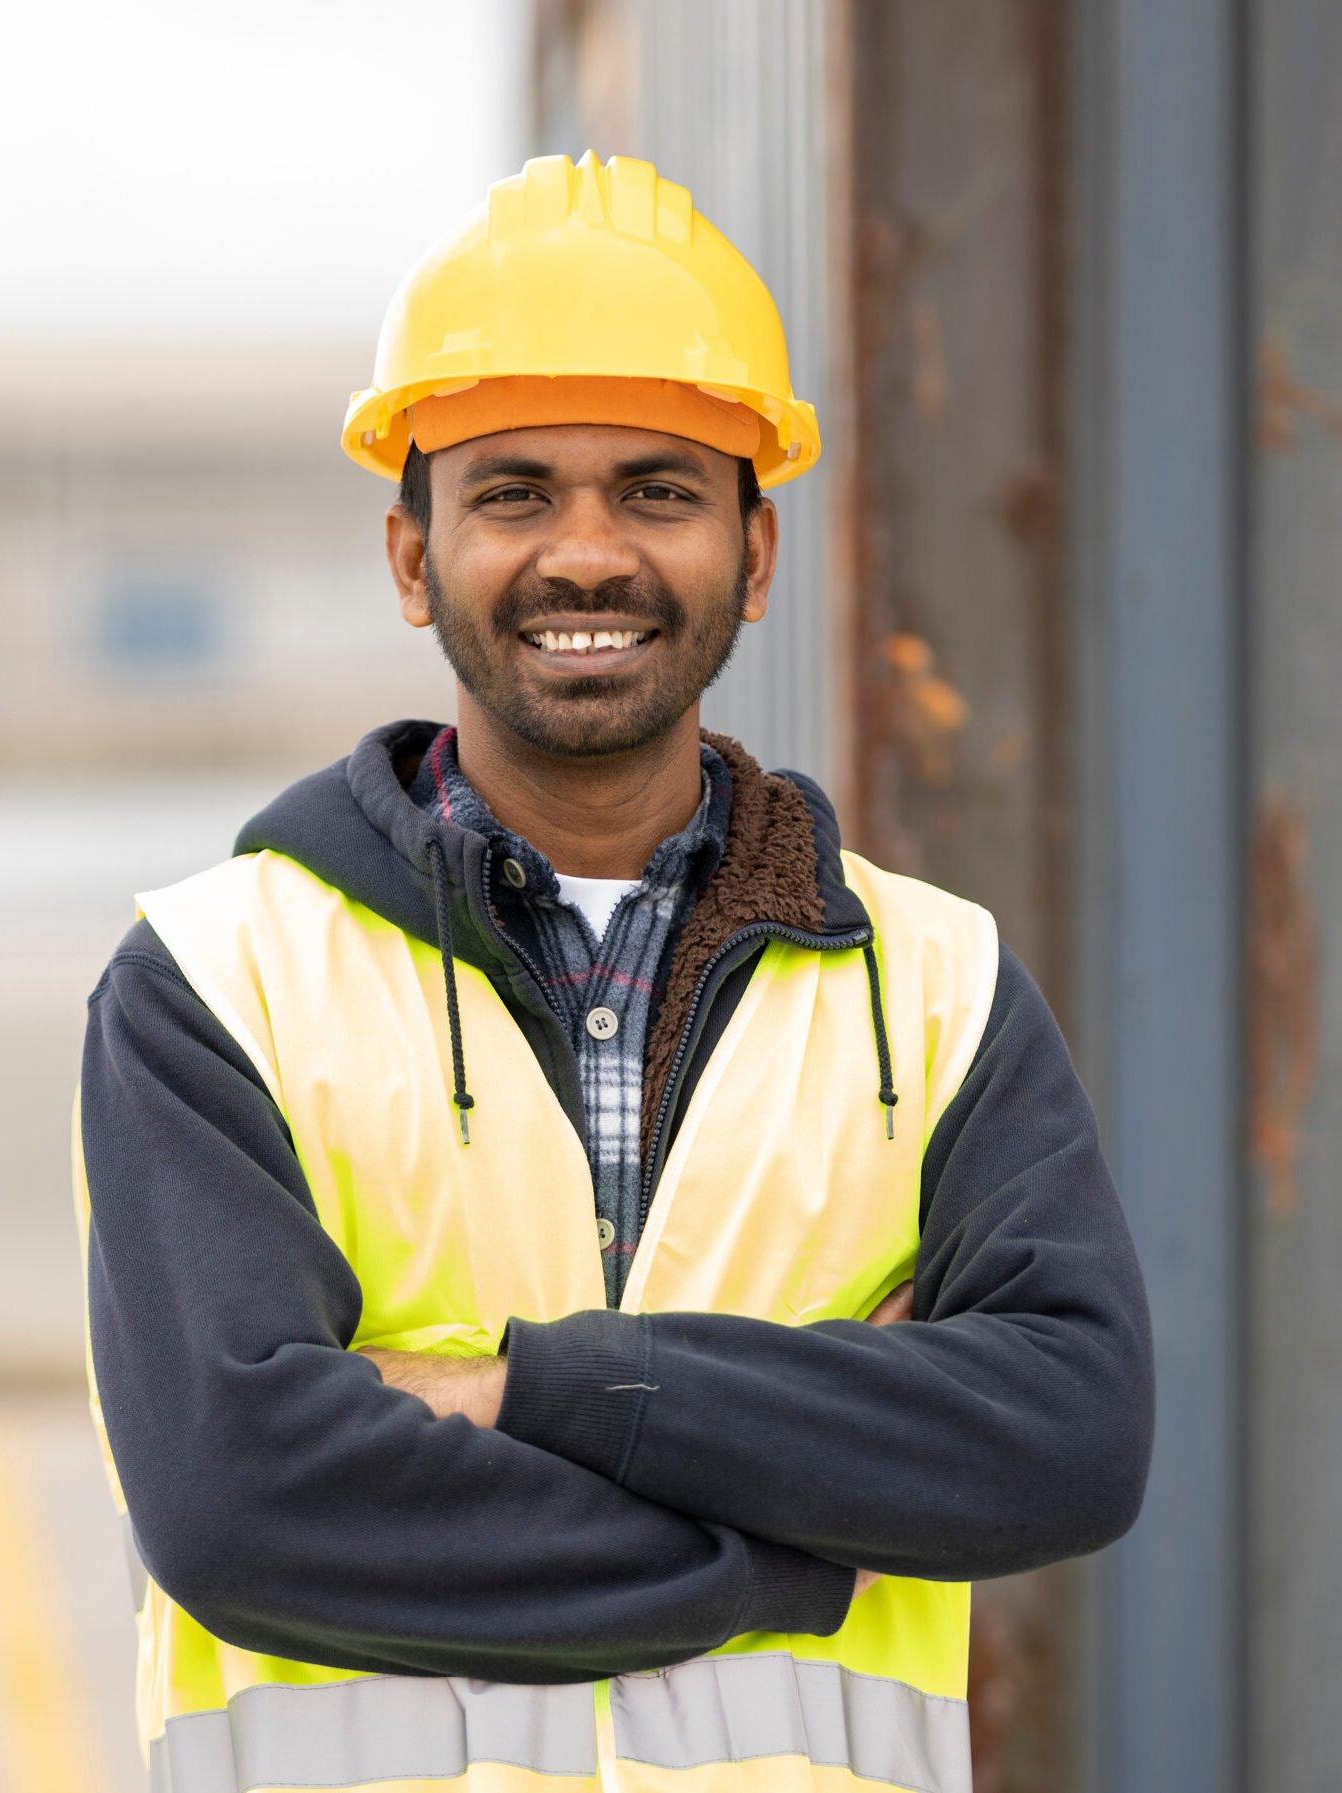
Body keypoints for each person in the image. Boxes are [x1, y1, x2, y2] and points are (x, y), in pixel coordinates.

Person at [73, 151, 1153, 1793]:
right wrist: (800, 1538)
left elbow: (1067, 1440)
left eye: (657, 489)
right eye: (515, 491)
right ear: (412, 555)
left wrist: (525, 1388)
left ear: (756, 552)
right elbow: (244, 1504)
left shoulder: (937, 991)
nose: (587, 554)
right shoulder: (217, 985)